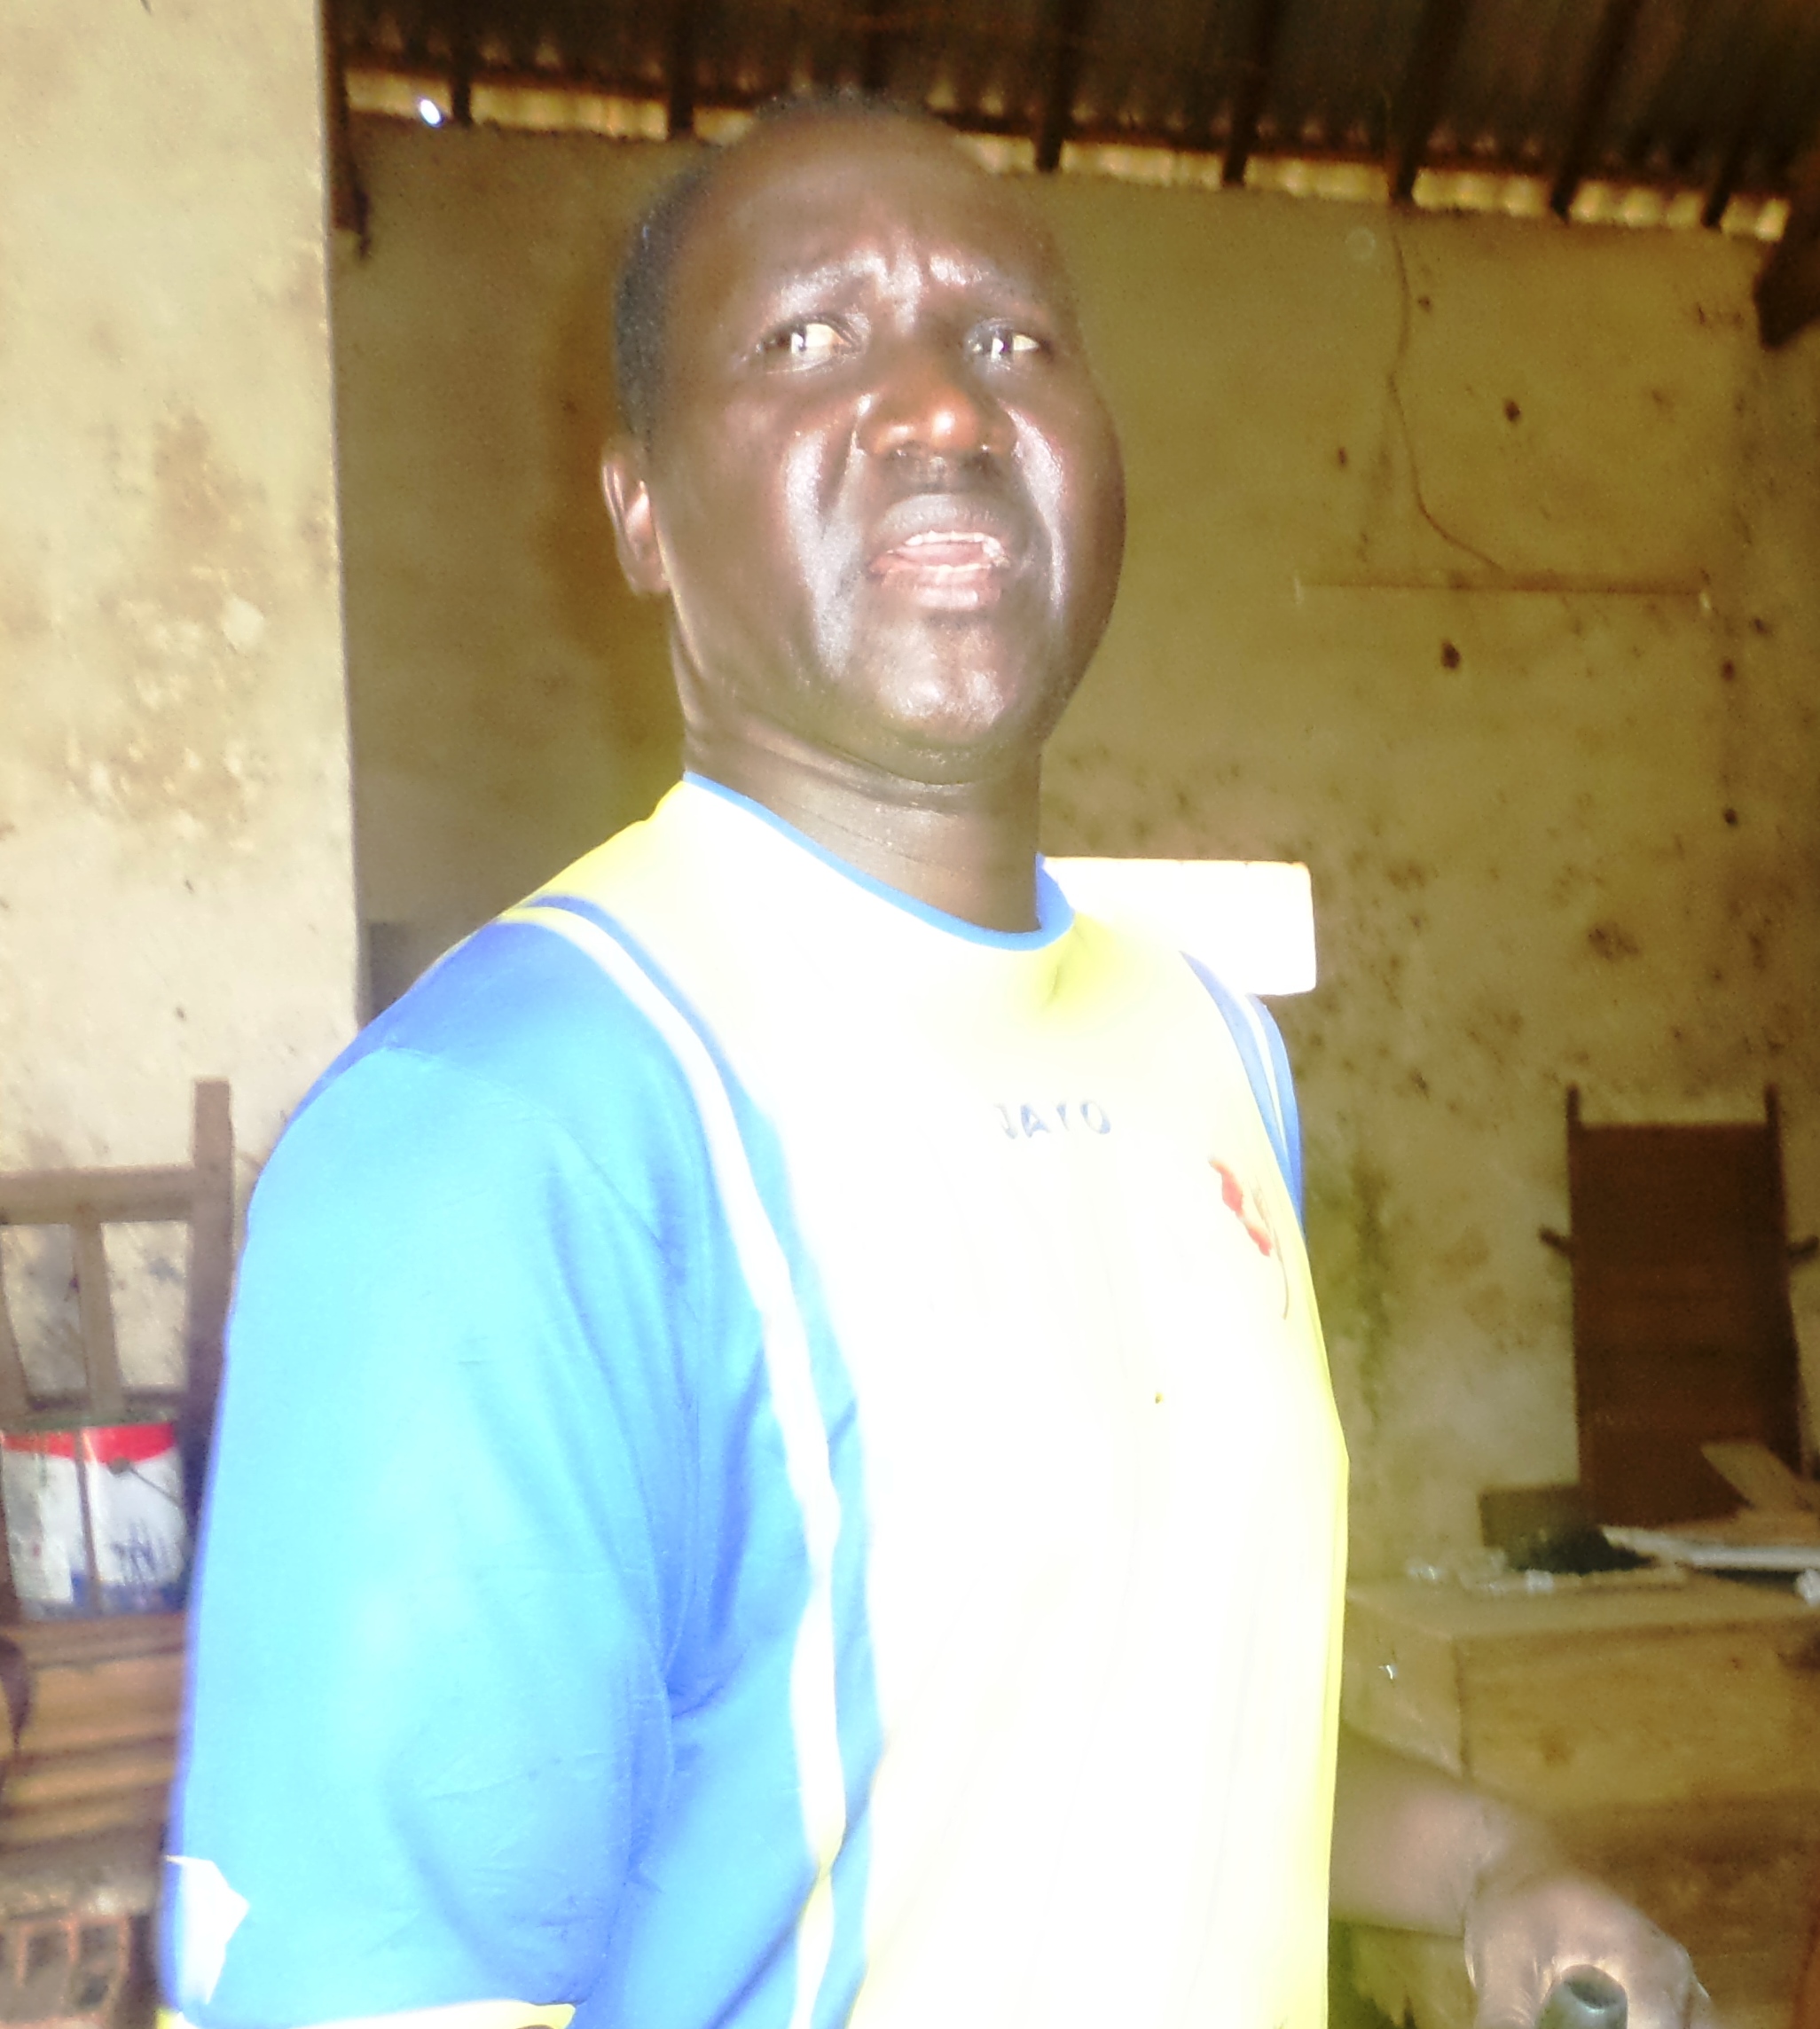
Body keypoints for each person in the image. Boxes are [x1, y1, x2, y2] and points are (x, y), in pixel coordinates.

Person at [162, 98, 1715, 2029]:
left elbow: (1119, 1731)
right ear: (639, 512)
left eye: (1011, 338)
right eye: (810, 337)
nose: (944, 409)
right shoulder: (504, 1137)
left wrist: (1490, 1863)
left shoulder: (1209, 1049)